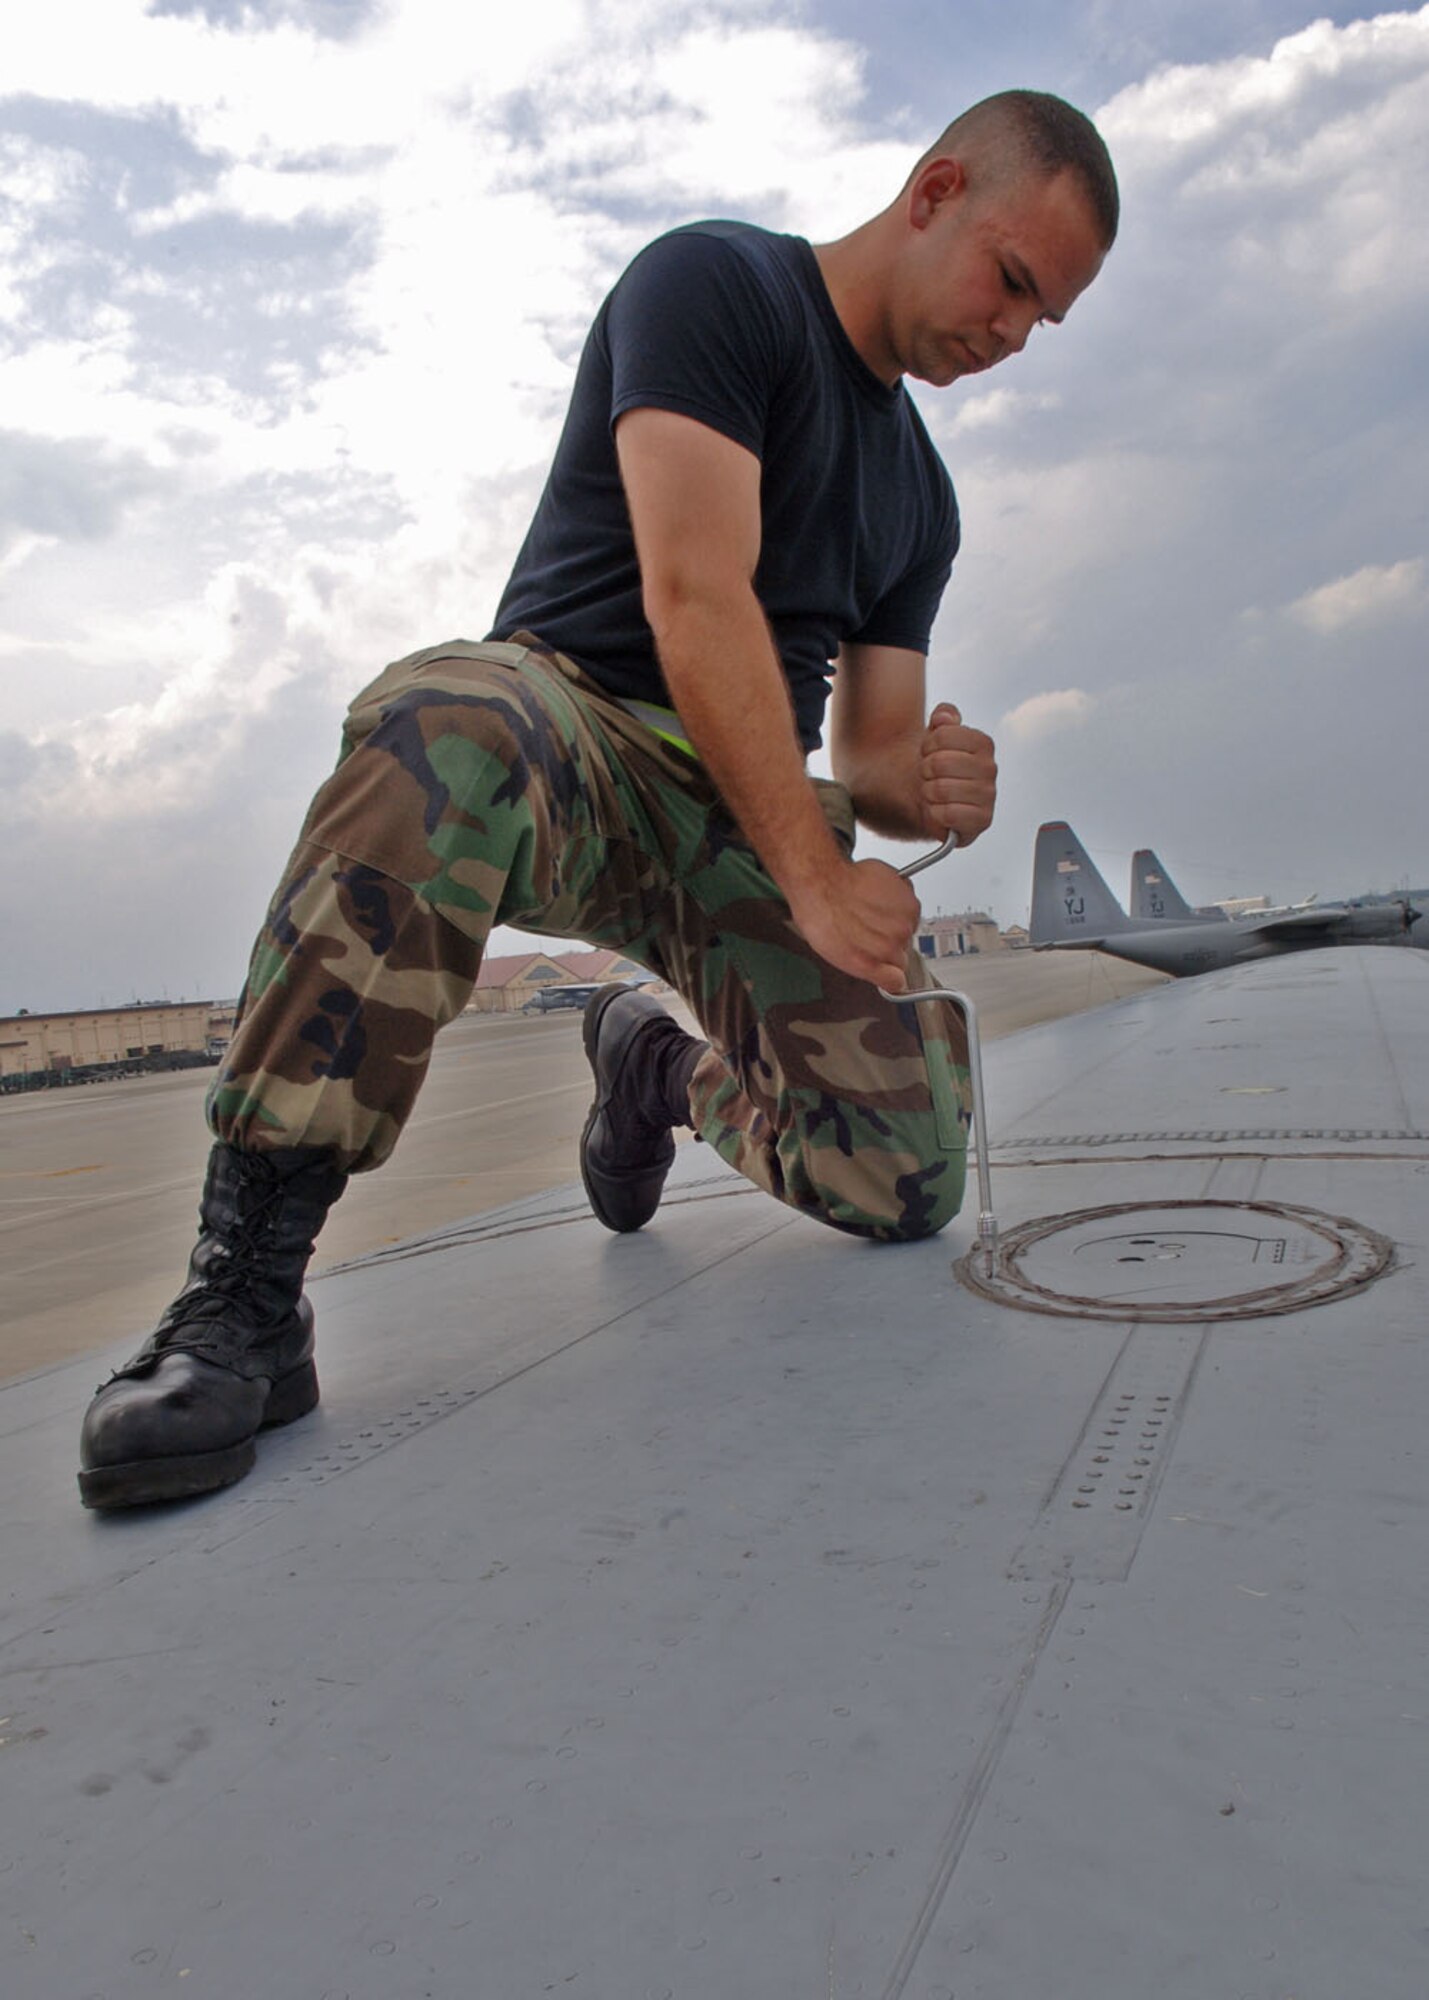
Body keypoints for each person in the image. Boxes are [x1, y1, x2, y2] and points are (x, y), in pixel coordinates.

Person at [78, 89, 1117, 1511]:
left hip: (735, 810)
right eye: (1010, 281)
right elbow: (693, 598)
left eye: (1042, 321)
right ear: (934, 190)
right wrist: (814, 874)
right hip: (570, 732)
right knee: (439, 726)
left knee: (902, 1175)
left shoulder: (918, 499)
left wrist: (922, 789)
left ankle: (650, 1067)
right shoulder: (718, 287)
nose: (1009, 335)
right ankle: (246, 1298)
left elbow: (867, 753)